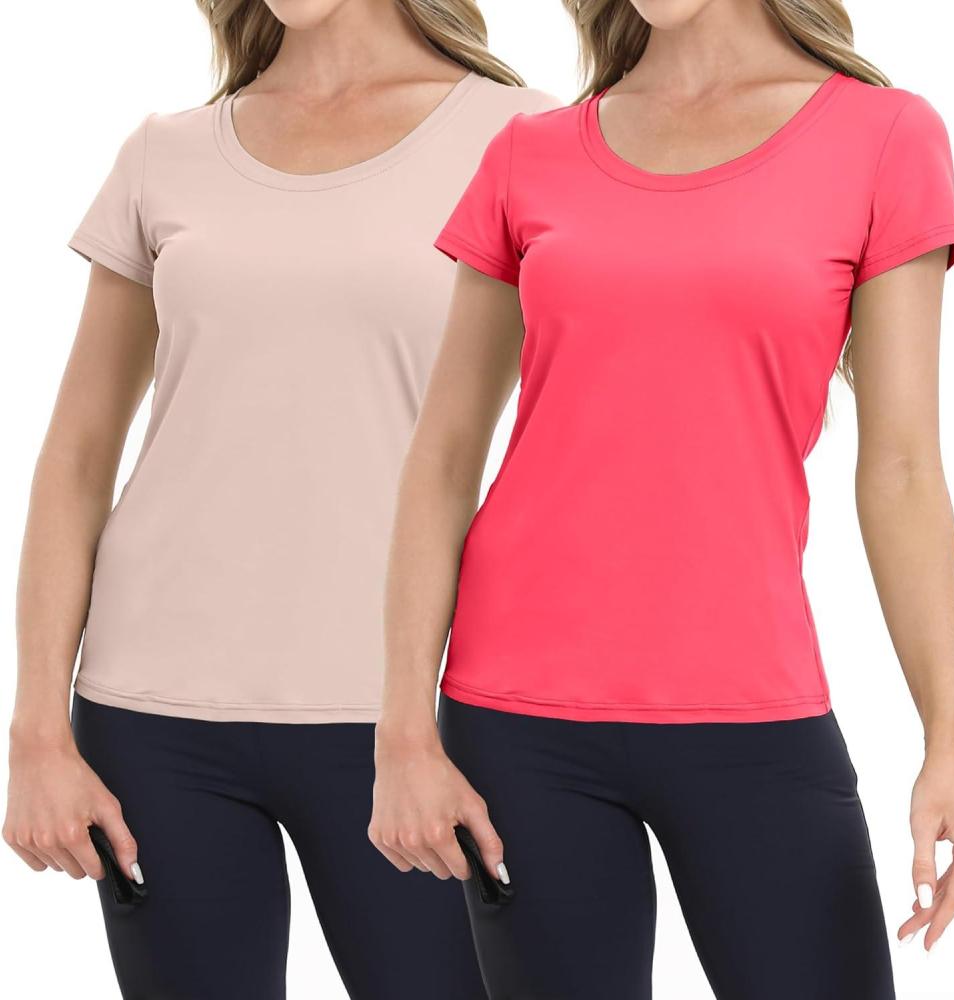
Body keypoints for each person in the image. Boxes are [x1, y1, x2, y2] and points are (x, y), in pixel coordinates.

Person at [369, 1, 954, 997]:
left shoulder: (885, 137)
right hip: (514, 719)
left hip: (753, 708)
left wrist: (947, 739)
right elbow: (443, 454)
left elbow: (904, 468)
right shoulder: (530, 153)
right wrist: (401, 728)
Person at [2, 1, 556, 997]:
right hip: (151, 716)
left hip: (411, 721)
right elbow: (78, 454)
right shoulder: (166, 154)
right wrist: (36, 727)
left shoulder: (523, 139)